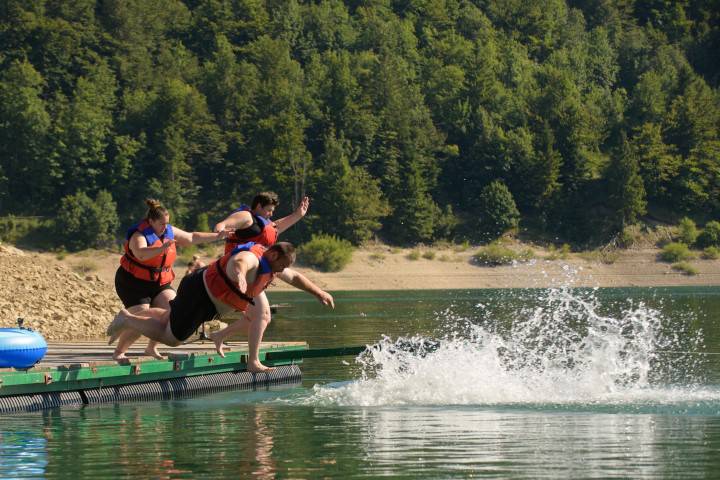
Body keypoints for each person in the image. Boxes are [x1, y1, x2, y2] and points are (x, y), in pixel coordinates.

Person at [106, 242, 334, 373]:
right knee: (173, 337)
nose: (279, 271)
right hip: (201, 293)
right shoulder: (253, 258)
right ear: (273, 254)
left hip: (209, 300)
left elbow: (294, 277)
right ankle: (127, 319)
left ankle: (132, 318)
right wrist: (240, 277)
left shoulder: (271, 264)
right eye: (280, 265)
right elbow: (239, 262)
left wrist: (319, 292)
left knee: (169, 319)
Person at [112, 199, 226, 361]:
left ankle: (151, 348)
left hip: (159, 282)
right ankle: (119, 352)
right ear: (150, 221)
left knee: (173, 311)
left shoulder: (169, 231)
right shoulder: (139, 235)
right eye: (161, 224)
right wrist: (161, 248)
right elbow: (141, 254)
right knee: (141, 316)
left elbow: (192, 237)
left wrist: (218, 236)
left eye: (167, 223)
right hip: (133, 283)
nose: (165, 227)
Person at [208, 192, 310, 354]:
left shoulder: (265, 224)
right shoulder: (246, 217)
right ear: (258, 206)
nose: (271, 214)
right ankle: (253, 360)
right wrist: (220, 230)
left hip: (253, 276)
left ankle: (219, 335)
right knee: (262, 316)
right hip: (238, 271)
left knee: (255, 318)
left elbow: (277, 227)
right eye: (268, 210)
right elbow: (224, 223)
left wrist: (297, 215)